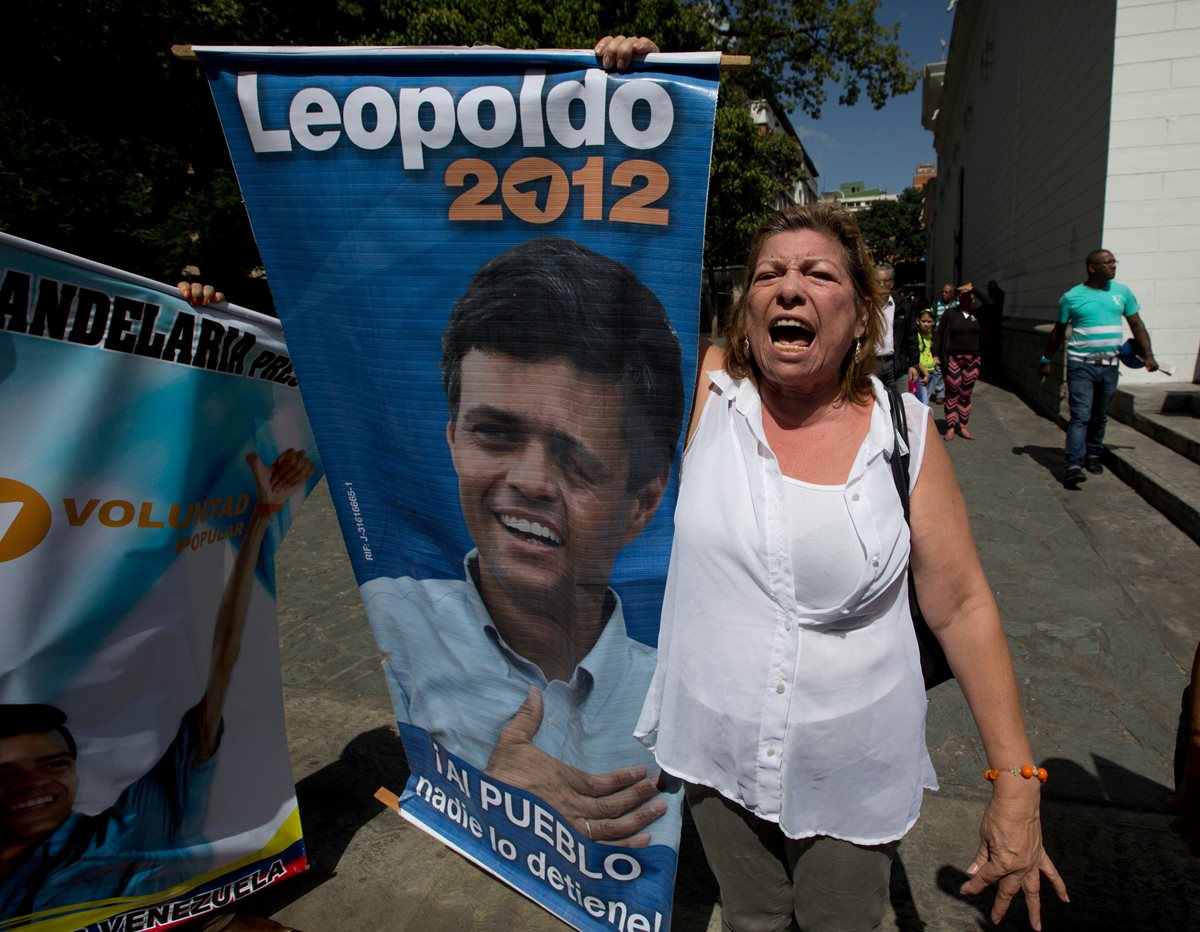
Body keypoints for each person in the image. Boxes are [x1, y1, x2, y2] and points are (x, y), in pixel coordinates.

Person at [631, 202, 1067, 931]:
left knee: (841, 921)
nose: (789, 287)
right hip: (715, 746)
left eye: (818, 274)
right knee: (752, 919)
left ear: (863, 316)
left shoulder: (905, 433)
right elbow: (620, 261)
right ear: (746, 314)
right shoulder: (709, 394)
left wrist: (1017, 784)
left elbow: (961, 606)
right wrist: (609, 93)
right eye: (768, 274)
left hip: (852, 762)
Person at [358, 236, 685, 847]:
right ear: (452, 437)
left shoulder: (678, 697)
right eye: (495, 434)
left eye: (575, 459)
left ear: (642, 503)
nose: (531, 482)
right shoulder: (394, 617)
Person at [0, 450, 314, 919]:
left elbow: (224, 657)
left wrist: (260, 521)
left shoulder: (131, 829)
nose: (37, 783)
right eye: (9, 772)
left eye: (53, 763)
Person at [1039, 249, 1157, 488]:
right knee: (1081, 415)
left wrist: (1148, 354)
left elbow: (1137, 325)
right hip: (1081, 366)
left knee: (1099, 415)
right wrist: (1046, 360)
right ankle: (1073, 465)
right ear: (1092, 267)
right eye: (1108, 263)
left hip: (1110, 367)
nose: (1113, 266)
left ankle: (1093, 454)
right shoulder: (1072, 297)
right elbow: (1057, 332)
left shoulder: (1122, 293)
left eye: (1114, 262)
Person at [934, 281, 996, 441]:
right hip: (953, 358)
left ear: (973, 298)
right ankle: (950, 427)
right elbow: (939, 333)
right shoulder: (950, 314)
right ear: (958, 298)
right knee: (953, 391)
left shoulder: (979, 313)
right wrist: (935, 354)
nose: (966, 299)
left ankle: (963, 426)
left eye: (969, 296)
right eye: (963, 296)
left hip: (973, 359)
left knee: (965, 394)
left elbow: (991, 304)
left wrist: (974, 288)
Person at [872, 262, 919, 396]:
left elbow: (911, 336)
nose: (881, 285)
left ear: (891, 283)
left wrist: (913, 364)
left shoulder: (902, 306)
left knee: (904, 406)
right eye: (878, 281)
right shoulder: (865, 306)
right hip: (872, 366)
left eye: (886, 281)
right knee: (875, 409)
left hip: (897, 365)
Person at [915, 308, 941, 405]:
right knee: (923, 402)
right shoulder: (916, 336)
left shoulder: (932, 335)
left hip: (931, 371)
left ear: (933, 322)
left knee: (926, 398)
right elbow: (915, 357)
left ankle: (920, 419)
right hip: (921, 373)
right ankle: (924, 420)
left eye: (929, 321)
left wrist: (936, 359)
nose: (926, 324)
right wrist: (925, 373)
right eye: (923, 321)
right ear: (918, 321)